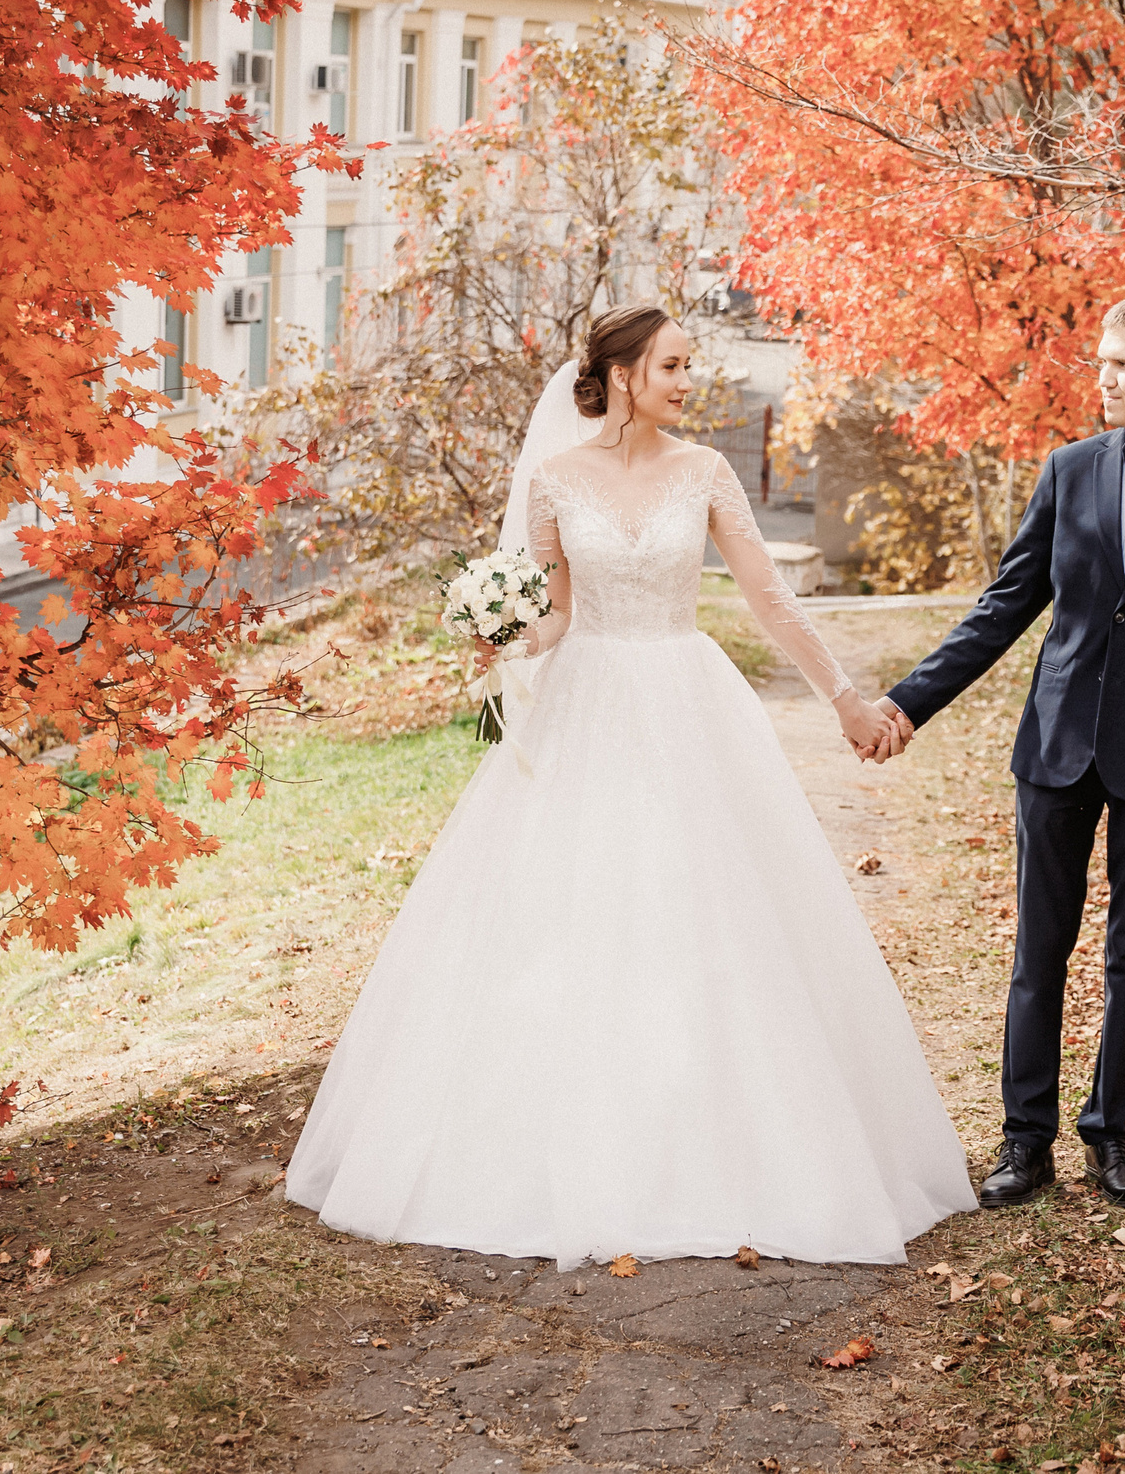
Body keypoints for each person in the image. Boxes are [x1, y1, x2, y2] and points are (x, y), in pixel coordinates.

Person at [288, 305, 975, 1269]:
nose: (689, 383)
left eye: (691, 366)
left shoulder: (705, 470)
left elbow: (768, 599)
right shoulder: (556, 481)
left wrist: (846, 697)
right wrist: (503, 637)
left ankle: (725, 1133)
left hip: (687, 698)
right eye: (673, 365)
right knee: (569, 911)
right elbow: (557, 611)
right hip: (587, 701)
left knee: (708, 909)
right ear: (620, 374)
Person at [859, 292, 1125, 1210]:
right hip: (1056, 745)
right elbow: (1004, 608)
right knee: (1037, 949)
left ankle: (1111, 1136)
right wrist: (906, 702)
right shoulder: (1069, 469)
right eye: (1099, 361)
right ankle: (1024, 1140)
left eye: (1121, 364)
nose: (1102, 378)